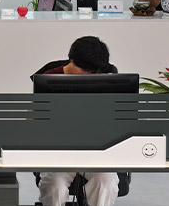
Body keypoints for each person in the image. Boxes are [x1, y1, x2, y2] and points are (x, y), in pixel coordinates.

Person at [38, 36, 119, 206]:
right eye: (84, 69)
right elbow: (35, 117)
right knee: (54, 187)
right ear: (72, 60)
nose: (88, 75)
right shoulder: (49, 77)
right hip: (58, 152)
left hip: (97, 151)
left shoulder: (106, 78)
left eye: (93, 71)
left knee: (106, 183)